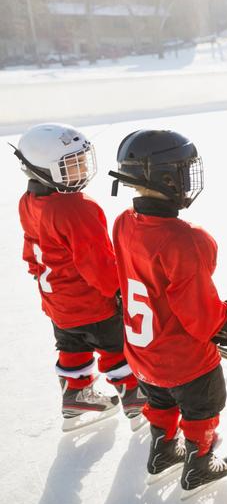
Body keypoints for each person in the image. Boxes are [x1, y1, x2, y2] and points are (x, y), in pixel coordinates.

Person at [110, 130, 227, 495]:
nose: (188, 180)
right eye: (184, 172)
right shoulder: (186, 238)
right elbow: (200, 316)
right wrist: (226, 320)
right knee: (203, 408)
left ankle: (163, 451)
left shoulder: (122, 222)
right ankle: (199, 463)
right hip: (185, 362)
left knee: (160, 402)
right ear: (167, 178)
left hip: (142, 356)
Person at [14, 123, 143, 432]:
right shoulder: (77, 208)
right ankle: (139, 401)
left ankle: (76, 395)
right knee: (116, 347)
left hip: (58, 302)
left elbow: (32, 249)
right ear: (42, 169)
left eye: (81, 160)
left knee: (73, 345)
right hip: (91, 303)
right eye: (70, 165)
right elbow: (97, 263)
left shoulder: (28, 202)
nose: (81, 169)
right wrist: (120, 290)